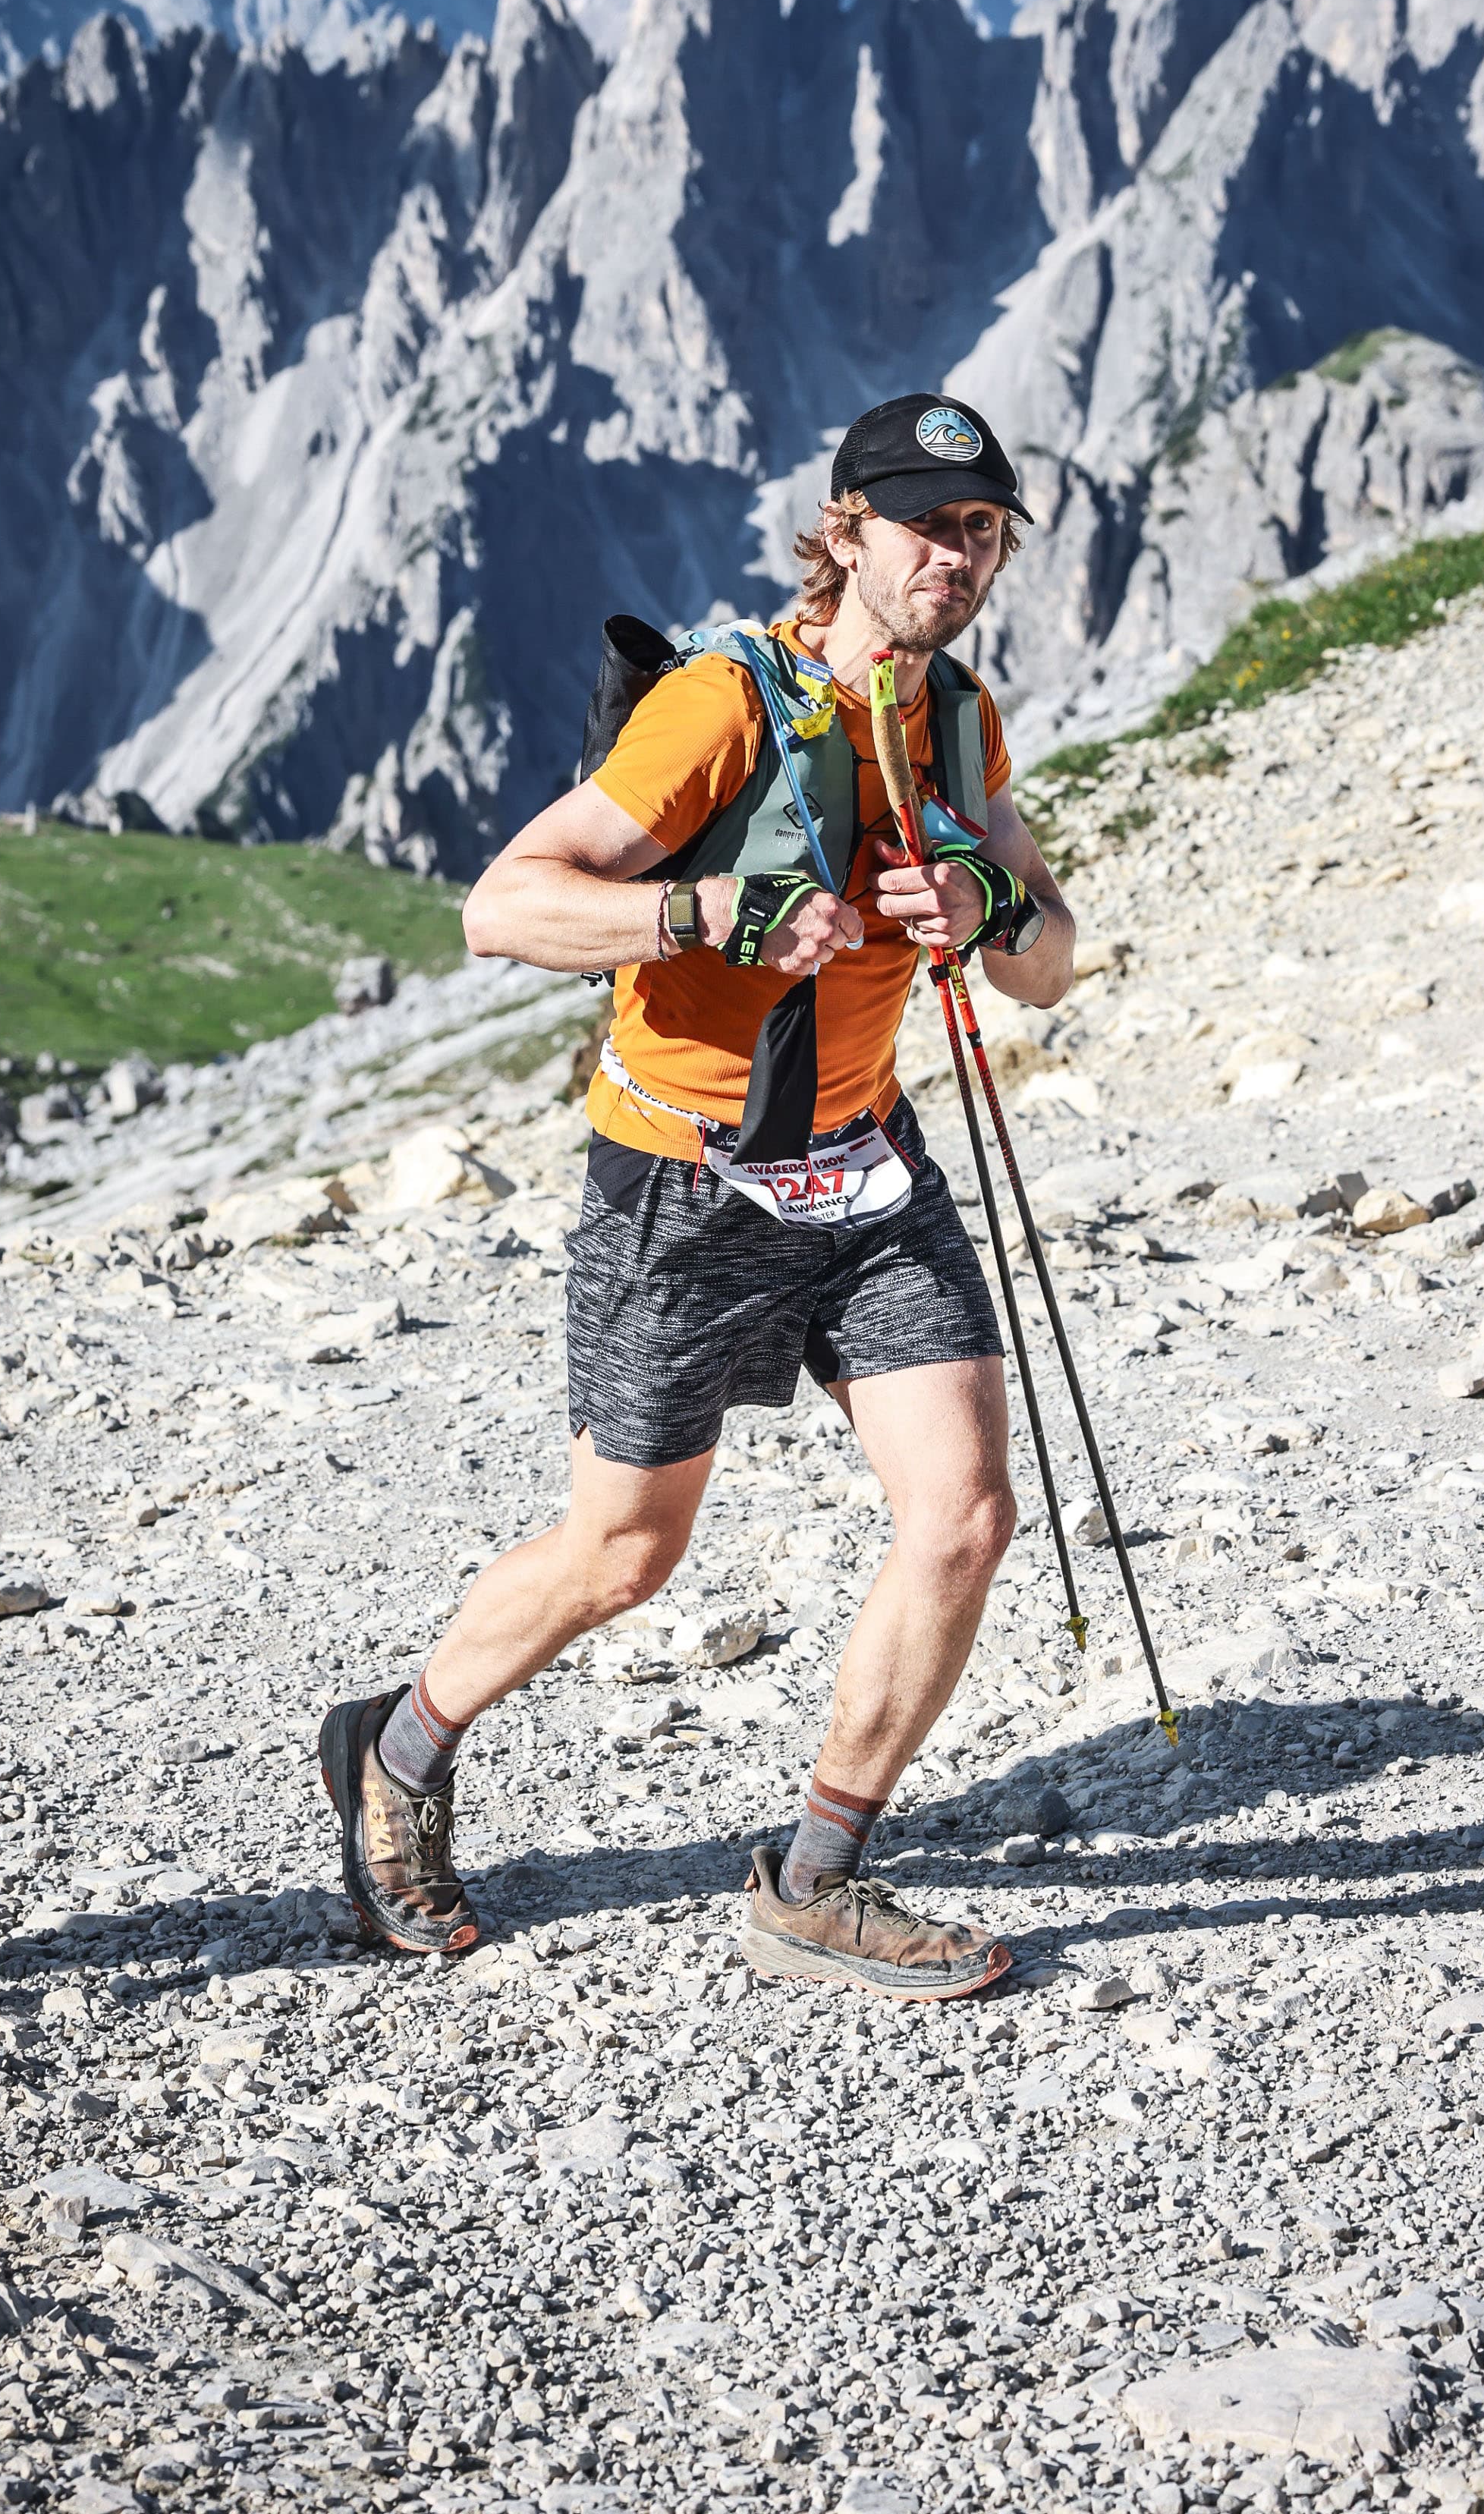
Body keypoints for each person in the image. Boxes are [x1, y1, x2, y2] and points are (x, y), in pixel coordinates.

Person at [319, 392, 1076, 1997]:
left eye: (983, 529)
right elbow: (501, 907)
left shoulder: (957, 718)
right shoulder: (722, 705)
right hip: (683, 1176)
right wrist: (713, 910)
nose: (956, 554)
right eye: (926, 521)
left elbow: (1051, 965)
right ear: (847, 525)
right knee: (623, 1552)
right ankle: (394, 1745)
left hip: (870, 1168)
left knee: (962, 1516)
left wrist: (981, 895)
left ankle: (814, 1878)